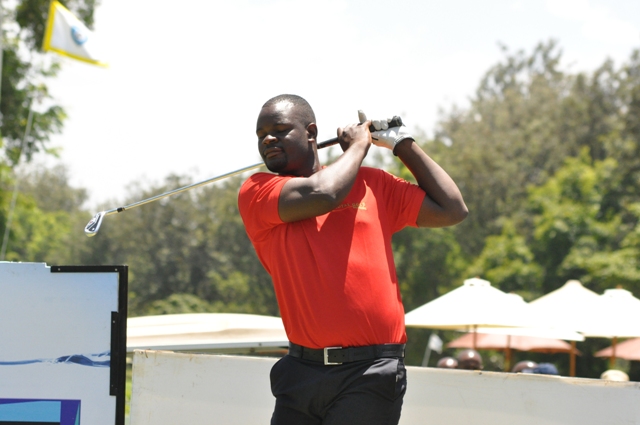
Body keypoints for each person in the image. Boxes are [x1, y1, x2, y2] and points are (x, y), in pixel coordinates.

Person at [238, 94, 468, 425]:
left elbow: (452, 209)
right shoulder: (257, 191)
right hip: (301, 371)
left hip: (370, 372)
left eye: (280, 129)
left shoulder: (373, 184)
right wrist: (359, 147)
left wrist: (402, 143)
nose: (268, 139)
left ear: (311, 133)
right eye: (261, 135)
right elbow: (323, 193)